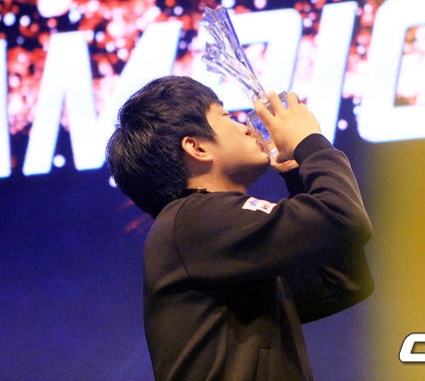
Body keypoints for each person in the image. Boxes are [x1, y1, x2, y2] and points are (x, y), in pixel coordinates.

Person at [106, 75, 373, 381]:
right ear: (197, 147)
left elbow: (339, 282)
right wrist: (309, 143)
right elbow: (342, 216)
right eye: (227, 117)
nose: (246, 127)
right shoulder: (194, 220)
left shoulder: (206, 234)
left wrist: (298, 173)